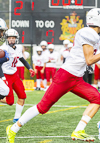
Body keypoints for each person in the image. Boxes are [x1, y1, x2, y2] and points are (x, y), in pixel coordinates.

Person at [6, 8, 100, 142]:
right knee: (42, 107)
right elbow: (90, 60)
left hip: (76, 79)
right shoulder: (88, 32)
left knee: (97, 98)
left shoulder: (95, 36)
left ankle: (79, 130)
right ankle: (13, 128)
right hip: (65, 76)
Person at [0, 29, 34, 123]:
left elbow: (21, 59)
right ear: (6, 39)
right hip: (6, 74)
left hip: (14, 74)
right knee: (10, 102)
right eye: (9, 38)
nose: (11, 40)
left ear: (16, 39)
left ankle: (17, 118)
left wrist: (29, 68)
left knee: (22, 96)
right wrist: (3, 77)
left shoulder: (19, 47)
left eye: (13, 38)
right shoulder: (4, 49)